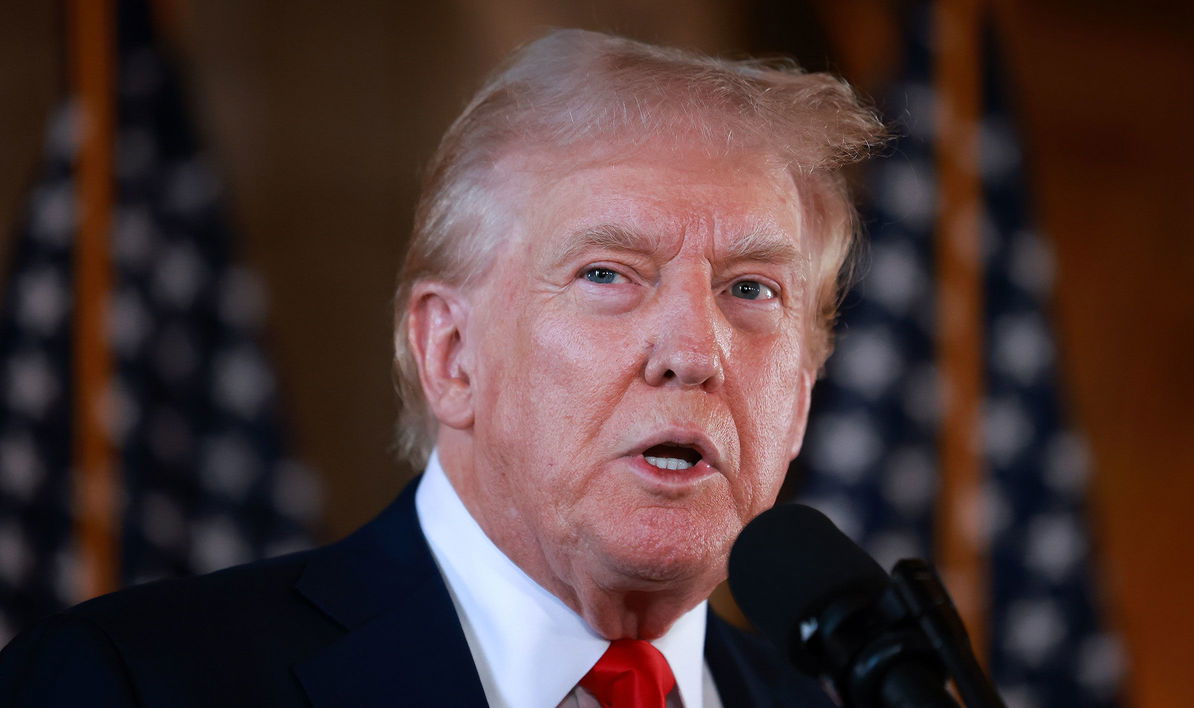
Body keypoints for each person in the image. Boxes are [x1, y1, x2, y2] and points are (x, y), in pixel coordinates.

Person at [0, 29, 884, 707]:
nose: (694, 352)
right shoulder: (136, 684)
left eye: (752, 290)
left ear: (801, 397)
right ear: (450, 355)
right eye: (608, 275)